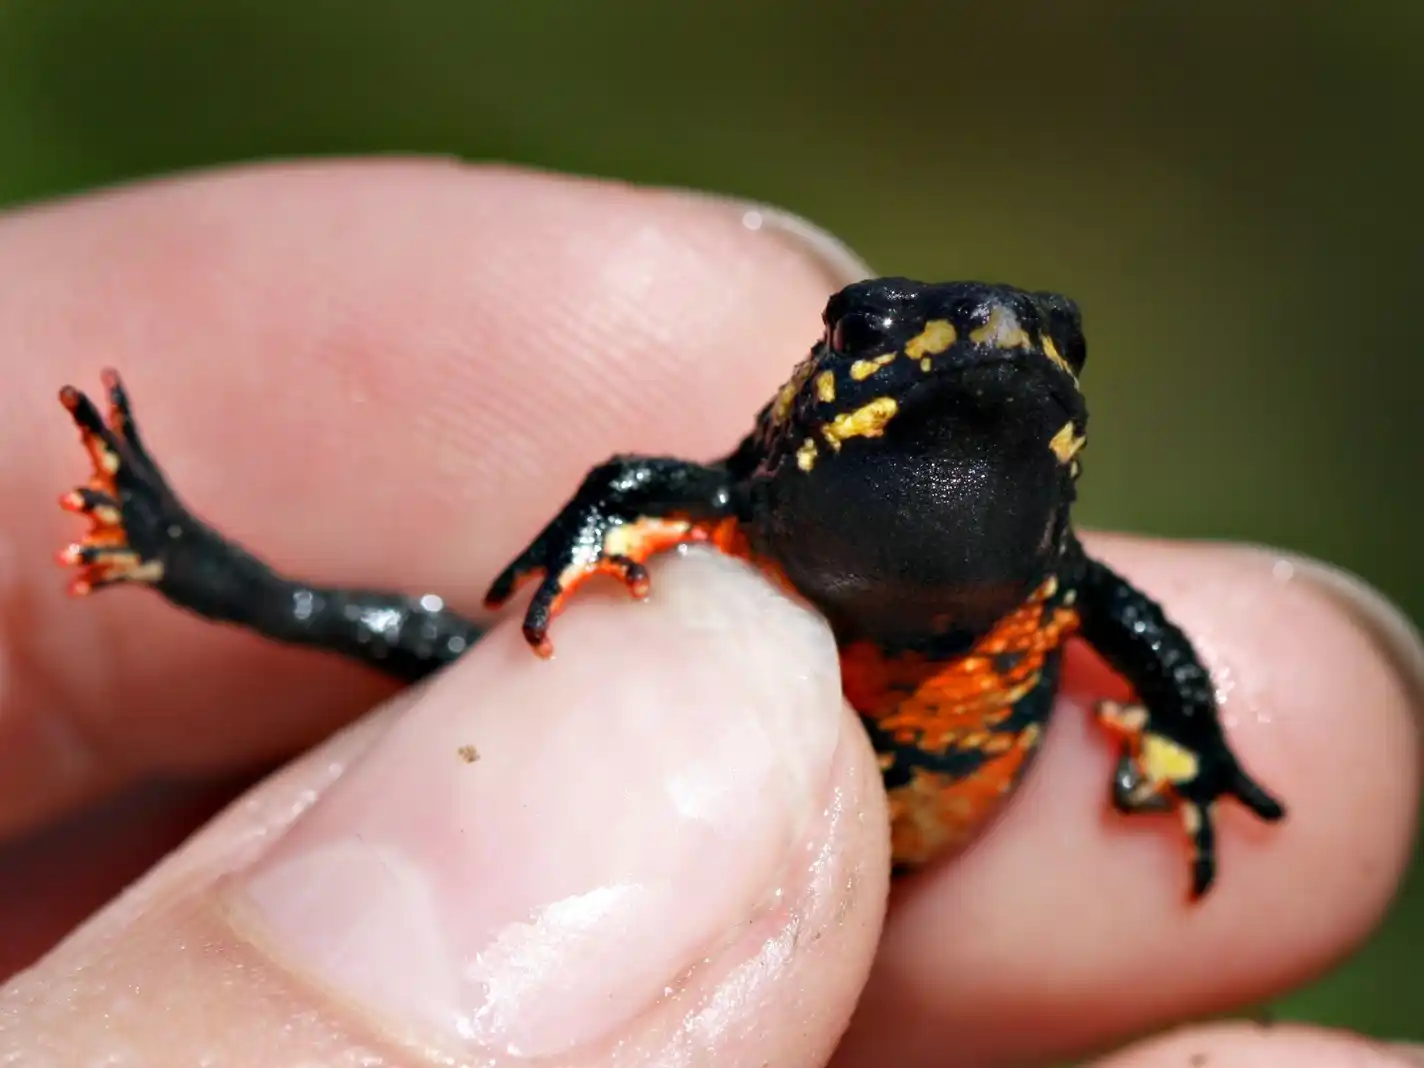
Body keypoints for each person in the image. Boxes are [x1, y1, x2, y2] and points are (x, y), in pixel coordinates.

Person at [0, 161, 1419, 1067]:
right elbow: (630, 481)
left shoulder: (1049, 587)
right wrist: (593, 537)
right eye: (874, 332)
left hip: (907, 820)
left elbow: (1149, 641)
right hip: (793, 741)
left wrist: (1190, 744)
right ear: (820, 381)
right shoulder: (740, 507)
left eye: (1054, 343)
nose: (986, 344)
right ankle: (185, 563)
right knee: (431, 648)